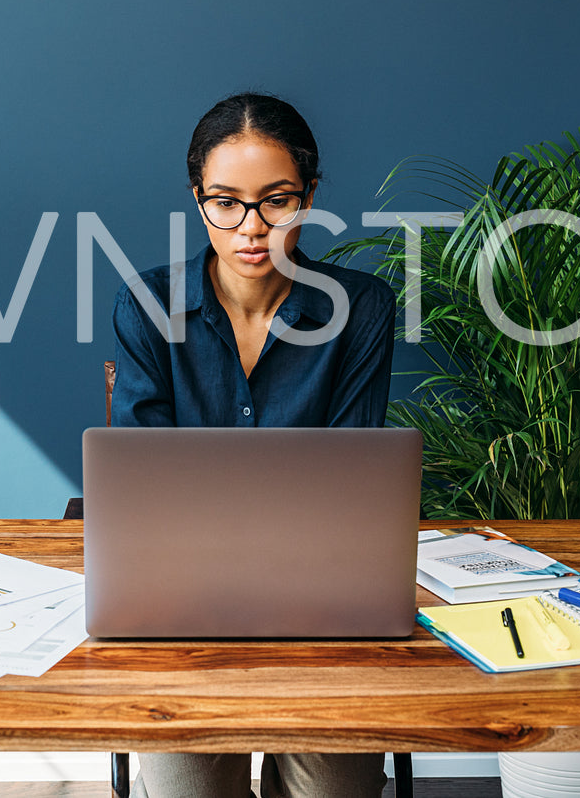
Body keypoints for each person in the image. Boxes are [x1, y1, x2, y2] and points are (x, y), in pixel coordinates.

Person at [110, 92, 395, 798]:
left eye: (277, 200)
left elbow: (349, 482)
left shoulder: (360, 308)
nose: (251, 227)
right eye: (225, 202)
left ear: (311, 194)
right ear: (195, 196)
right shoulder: (146, 302)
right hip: (178, 598)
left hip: (322, 598)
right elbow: (139, 482)